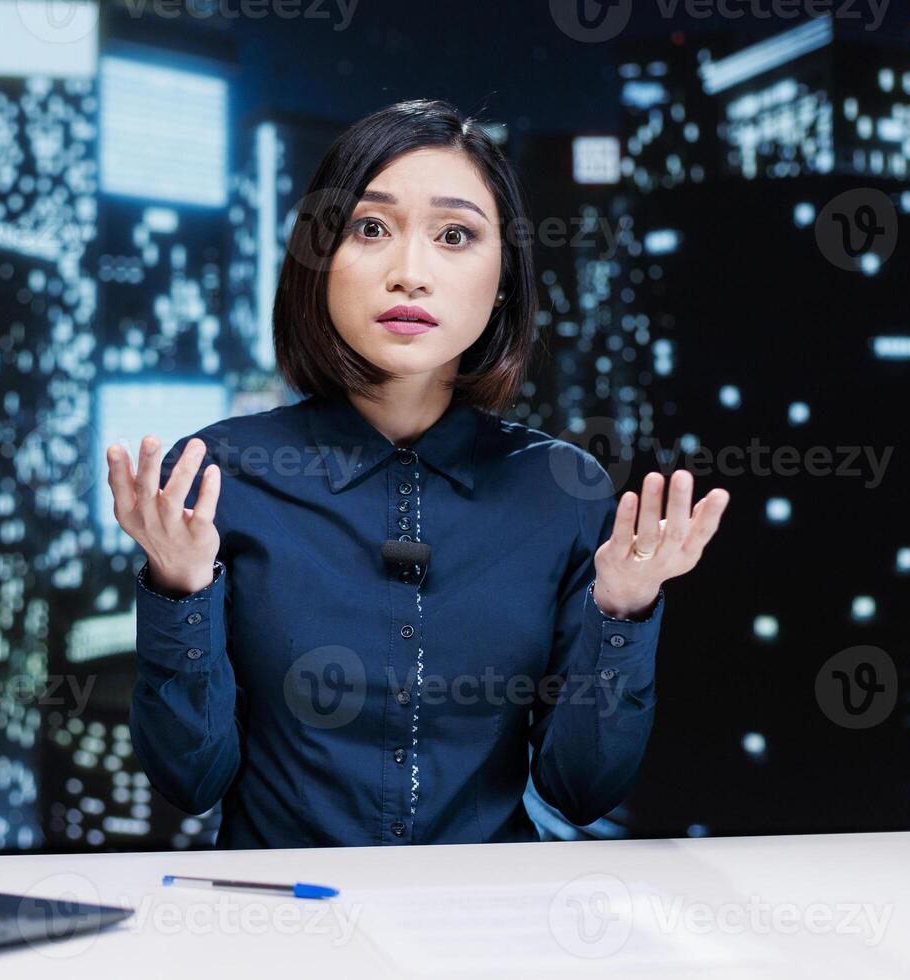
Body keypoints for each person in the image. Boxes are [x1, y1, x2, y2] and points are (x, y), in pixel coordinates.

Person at [105, 98, 729, 849]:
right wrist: (180, 589)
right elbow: (190, 778)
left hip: (483, 928)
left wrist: (623, 612)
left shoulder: (563, 490)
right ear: (319, 260)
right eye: (370, 228)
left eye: (455, 235)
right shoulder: (217, 476)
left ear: (503, 280)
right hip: (278, 927)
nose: (410, 274)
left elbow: (582, 789)